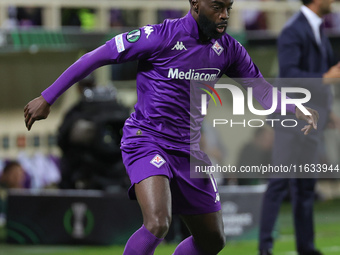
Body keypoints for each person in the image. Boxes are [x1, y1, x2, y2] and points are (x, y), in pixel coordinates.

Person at [24, 0, 319, 254]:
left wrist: (297, 107)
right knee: (157, 222)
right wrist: (47, 97)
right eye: (216, 6)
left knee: (212, 240)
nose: (224, 15)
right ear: (195, 4)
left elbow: (262, 91)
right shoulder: (160, 36)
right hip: (146, 140)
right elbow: (97, 56)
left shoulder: (229, 50)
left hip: (188, 151)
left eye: (228, 7)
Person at [258, 0, 340, 254]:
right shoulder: (294, 29)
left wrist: (329, 111)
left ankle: (306, 247)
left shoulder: (317, 29)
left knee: (305, 187)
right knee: (279, 184)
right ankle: (265, 249)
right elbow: (290, 76)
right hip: (290, 120)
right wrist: (327, 78)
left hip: (312, 121)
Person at [57, 76, 130, 190]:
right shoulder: (119, 108)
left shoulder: (78, 110)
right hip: (116, 173)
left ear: (78, 88)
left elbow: (62, 140)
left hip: (92, 174)